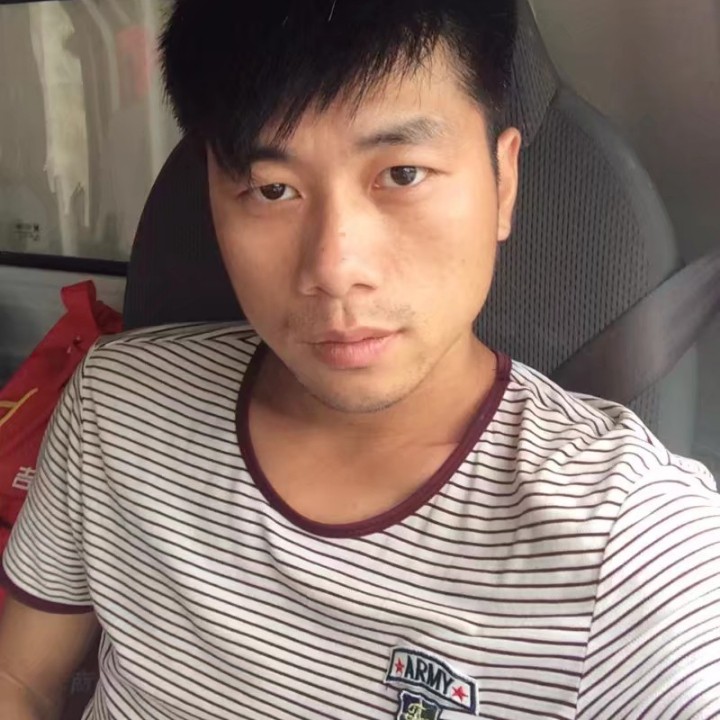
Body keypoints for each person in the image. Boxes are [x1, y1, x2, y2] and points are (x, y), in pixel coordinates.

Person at [1, 1, 719, 718]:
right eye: (273, 190)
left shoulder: (633, 542)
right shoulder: (115, 405)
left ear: (503, 182)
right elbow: (22, 678)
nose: (335, 268)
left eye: (402, 174)